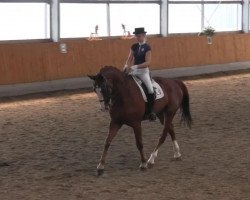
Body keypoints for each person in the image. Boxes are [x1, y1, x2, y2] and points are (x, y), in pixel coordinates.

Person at [124, 27, 156, 121]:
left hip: (143, 72)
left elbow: (148, 63)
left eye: (138, 36)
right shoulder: (134, 46)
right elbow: (129, 58)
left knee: (150, 90)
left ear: (143, 35)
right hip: (134, 72)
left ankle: (151, 112)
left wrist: (135, 66)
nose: (137, 37)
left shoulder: (147, 47)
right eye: (136, 36)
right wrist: (126, 66)